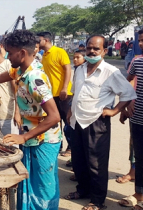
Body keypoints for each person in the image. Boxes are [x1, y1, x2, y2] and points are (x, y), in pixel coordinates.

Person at [0, 29, 62, 210]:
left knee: (43, 187)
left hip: (45, 140)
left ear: (22, 53)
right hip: (32, 137)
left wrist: (23, 137)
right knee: (30, 184)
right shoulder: (18, 71)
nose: (8, 56)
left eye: (10, 52)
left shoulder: (35, 78)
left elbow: (55, 116)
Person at [65, 35, 136, 210]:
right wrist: (70, 110)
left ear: (104, 51)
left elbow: (128, 93)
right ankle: (83, 190)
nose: (92, 51)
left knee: (96, 164)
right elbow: (75, 91)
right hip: (77, 121)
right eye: (89, 48)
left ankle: (97, 201)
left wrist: (114, 110)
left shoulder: (110, 72)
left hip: (96, 122)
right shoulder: (80, 69)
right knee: (79, 160)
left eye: (96, 49)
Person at [118, 29, 143, 209]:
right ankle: (139, 194)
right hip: (138, 118)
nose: (141, 44)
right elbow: (128, 83)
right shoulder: (137, 62)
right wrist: (126, 105)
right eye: (140, 40)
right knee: (140, 158)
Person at [37, 31, 73, 157]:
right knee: (55, 122)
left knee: (68, 122)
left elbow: (68, 69)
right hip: (51, 95)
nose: (37, 41)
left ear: (46, 40)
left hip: (63, 93)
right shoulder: (44, 55)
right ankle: (58, 144)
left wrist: (64, 88)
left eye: (39, 39)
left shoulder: (59, 51)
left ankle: (71, 148)